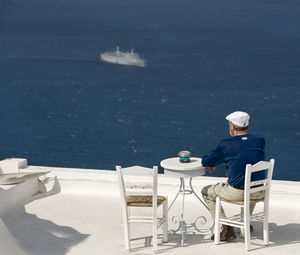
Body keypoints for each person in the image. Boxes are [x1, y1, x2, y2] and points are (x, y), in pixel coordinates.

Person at [201, 111, 265, 241]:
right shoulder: (259, 141)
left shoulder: (227, 144)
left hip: (239, 192)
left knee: (206, 191)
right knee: (250, 182)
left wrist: (211, 164)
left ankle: (226, 228)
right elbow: (246, 155)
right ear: (247, 125)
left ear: (232, 126)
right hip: (259, 191)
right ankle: (245, 223)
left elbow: (206, 161)